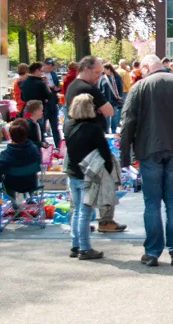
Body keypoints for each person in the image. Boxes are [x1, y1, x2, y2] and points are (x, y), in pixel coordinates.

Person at [120, 55, 173, 267]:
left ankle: (152, 252)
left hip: (149, 149)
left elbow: (128, 122)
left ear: (147, 67)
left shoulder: (140, 87)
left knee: (152, 202)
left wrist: (125, 157)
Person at [61, 95, 112, 260]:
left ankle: (75, 245)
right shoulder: (93, 128)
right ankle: (84, 247)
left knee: (76, 210)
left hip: (73, 171)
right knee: (85, 212)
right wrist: (110, 170)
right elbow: (104, 151)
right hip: (88, 173)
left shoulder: (68, 125)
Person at [40, 59, 62, 148]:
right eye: (48, 67)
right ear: (44, 65)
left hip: (53, 102)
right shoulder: (40, 75)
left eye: (51, 67)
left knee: (55, 126)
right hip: (44, 103)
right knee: (42, 126)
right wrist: (48, 86)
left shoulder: (53, 74)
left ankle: (59, 146)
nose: (50, 69)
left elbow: (57, 85)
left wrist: (57, 88)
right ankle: (43, 146)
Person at [101, 63, 123, 134]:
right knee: (106, 116)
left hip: (114, 100)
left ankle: (113, 131)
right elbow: (99, 88)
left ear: (109, 69)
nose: (103, 71)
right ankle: (106, 130)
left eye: (104, 69)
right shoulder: (102, 78)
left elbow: (120, 87)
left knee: (114, 116)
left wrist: (119, 96)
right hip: (105, 100)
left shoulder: (117, 77)